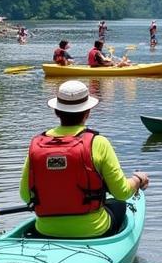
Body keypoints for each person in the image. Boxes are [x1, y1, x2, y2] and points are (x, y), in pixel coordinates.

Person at [20, 81, 149, 238]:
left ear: (56, 112)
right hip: (93, 230)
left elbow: (26, 196)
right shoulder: (98, 143)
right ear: (88, 112)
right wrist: (137, 180)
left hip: (45, 229)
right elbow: (121, 193)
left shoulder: (37, 145)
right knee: (120, 204)